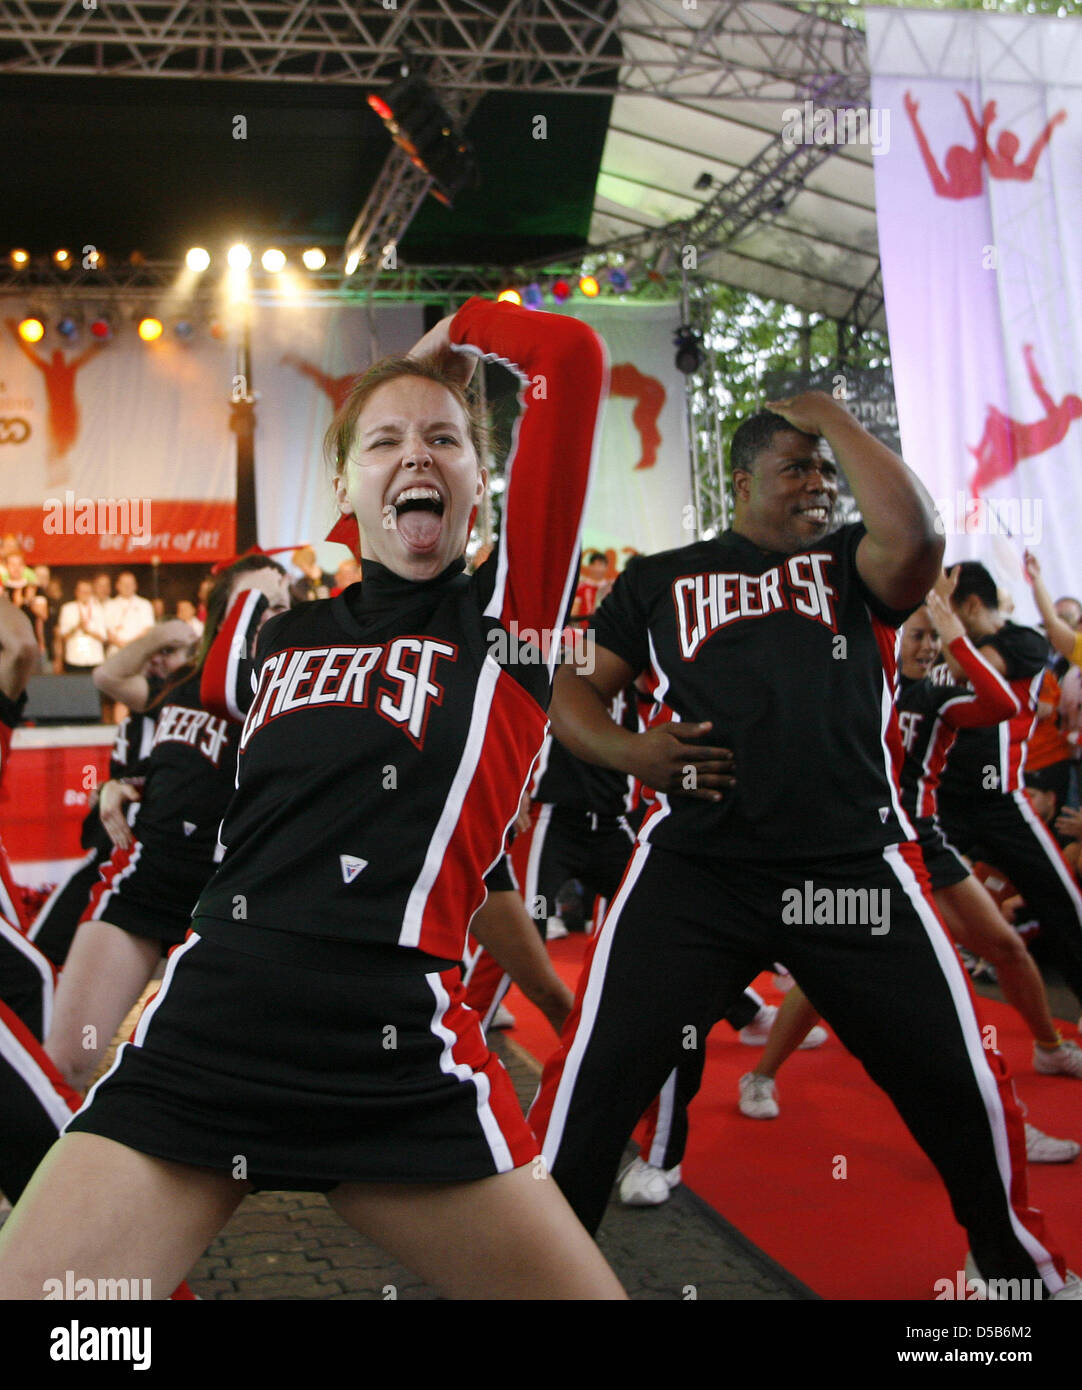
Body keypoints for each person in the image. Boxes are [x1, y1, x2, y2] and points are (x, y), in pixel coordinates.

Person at [0, 298, 624, 1302]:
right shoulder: (281, 634)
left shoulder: (505, 619)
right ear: (343, 488)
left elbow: (570, 354)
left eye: (445, 440)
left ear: (481, 482)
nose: (416, 455)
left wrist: (444, 341)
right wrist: (126, 784)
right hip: (212, 1022)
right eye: (383, 442)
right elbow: (200, 728)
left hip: (392, 1041)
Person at [528, 395, 1078, 1297]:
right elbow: (573, 692)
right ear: (742, 482)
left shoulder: (852, 564)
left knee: (956, 1076)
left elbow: (917, 538)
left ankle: (1011, 1273)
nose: (821, 483)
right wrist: (633, 752)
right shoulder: (660, 578)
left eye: (828, 470)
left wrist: (827, 417)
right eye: (798, 466)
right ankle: (534, 1274)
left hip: (853, 867)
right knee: (593, 1083)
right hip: (697, 870)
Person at [936, 560, 1082, 1028]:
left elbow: (968, 669)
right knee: (883, 891)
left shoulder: (1023, 642)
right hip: (939, 803)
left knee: (1062, 903)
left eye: (949, 607)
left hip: (1002, 802)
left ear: (971, 605)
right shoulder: (942, 647)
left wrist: (938, 613)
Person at [56, 580, 107, 675]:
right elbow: (64, 636)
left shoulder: (98, 609)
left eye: (88, 592)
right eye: (82, 591)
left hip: (95, 659)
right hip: (74, 659)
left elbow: (103, 637)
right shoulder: (67, 609)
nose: (85, 594)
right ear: (76, 592)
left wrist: (88, 631)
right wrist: (77, 627)